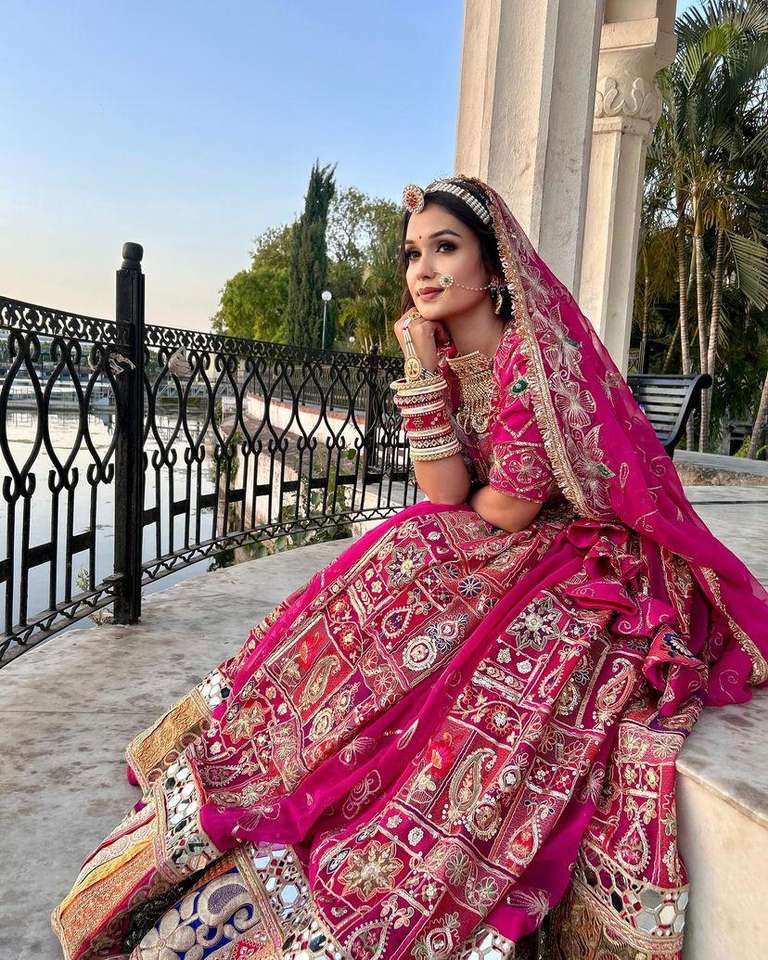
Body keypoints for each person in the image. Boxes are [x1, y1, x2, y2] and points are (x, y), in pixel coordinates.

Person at [51, 176, 768, 960]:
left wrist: (472, 491)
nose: (423, 269)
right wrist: (424, 373)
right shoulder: (449, 352)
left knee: (434, 569)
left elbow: (509, 509)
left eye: (445, 248)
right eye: (412, 253)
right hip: (510, 529)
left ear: (494, 266)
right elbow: (450, 492)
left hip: (583, 551)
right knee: (407, 548)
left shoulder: (533, 358)